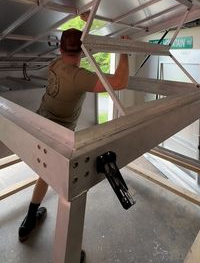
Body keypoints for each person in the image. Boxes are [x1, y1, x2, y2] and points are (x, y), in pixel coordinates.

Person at [18, 27, 129, 263]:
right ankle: (68, 252)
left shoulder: (55, 64)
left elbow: (75, 51)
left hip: (40, 125)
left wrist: (87, 29)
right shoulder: (80, 78)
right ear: (83, 51)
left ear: (60, 49)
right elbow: (119, 82)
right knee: (70, 183)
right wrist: (124, 52)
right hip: (60, 137)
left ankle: (29, 219)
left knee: (45, 176)